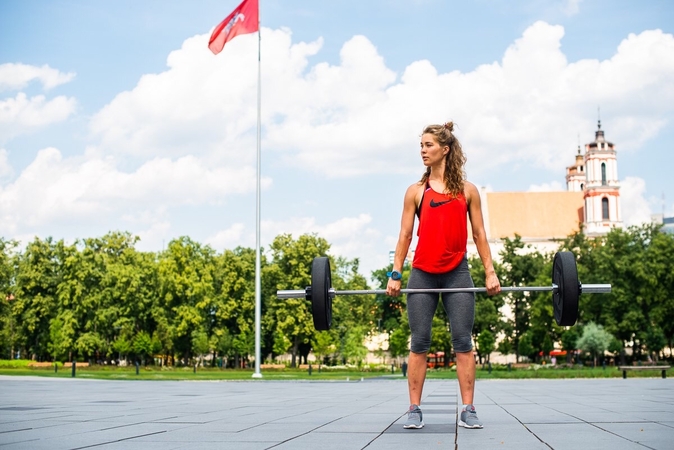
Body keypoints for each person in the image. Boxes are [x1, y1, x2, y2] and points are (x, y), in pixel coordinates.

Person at [386, 121, 501, 430]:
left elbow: (479, 234)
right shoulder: (416, 192)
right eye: (421, 146)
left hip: (457, 274)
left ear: (445, 150)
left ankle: (468, 408)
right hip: (422, 273)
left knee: (463, 341)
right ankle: (414, 408)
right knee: (419, 341)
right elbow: (405, 236)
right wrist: (396, 273)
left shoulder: (467, 191)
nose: (423, 151)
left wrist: (490, 272)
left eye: (428, 145)